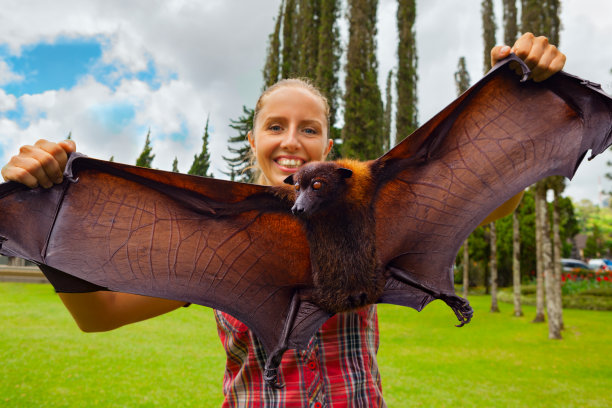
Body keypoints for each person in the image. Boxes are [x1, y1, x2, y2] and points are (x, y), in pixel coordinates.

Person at [1, 33, 565, 407]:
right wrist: (44, 213)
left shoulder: (370, 210)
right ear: (254, 139)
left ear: (328, 141)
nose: (291, 141)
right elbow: (100, 316)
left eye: (309, 128)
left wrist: (517, 103)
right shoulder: (221, 234)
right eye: (275, 126)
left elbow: (492, 201)